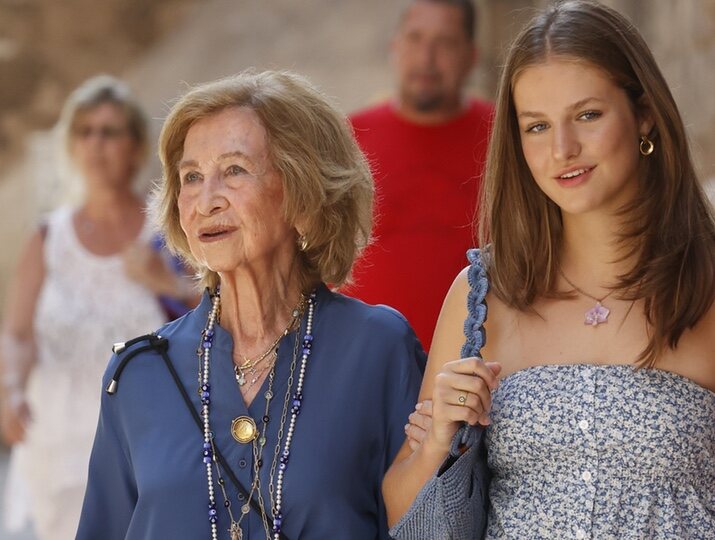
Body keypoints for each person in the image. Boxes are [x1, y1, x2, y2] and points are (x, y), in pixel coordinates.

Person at [385, 1, 715, 538]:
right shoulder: (483, 294)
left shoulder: (706, 285)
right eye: (536, 126)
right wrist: (437, 443)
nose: (562, 149)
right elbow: (403, 514)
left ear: (645, 113)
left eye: (587, 115)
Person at [75, 70, 425, 540]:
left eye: (234, 170)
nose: (204, 201)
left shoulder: (378, 349)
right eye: (191, 178)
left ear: (304, 193)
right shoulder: (136, 373)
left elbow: (422, 523)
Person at [0, 75, 195, 540]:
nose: (96, 144)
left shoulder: (169, 231)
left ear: (136, 145)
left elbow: (220, 317)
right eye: (84, 131)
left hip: (145, 444)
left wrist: (167, 283)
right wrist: (11, 390)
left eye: (110, 131)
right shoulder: (48, 237)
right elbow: (17, 333)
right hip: (58, 444)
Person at [345, 0, 493, 350]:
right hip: (363, 363)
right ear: (395, 46)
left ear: (470, 56)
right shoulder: (347, 139)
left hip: (475, 367)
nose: (426, 58)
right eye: (415, 38)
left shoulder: (506, 138)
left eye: (444, 43)